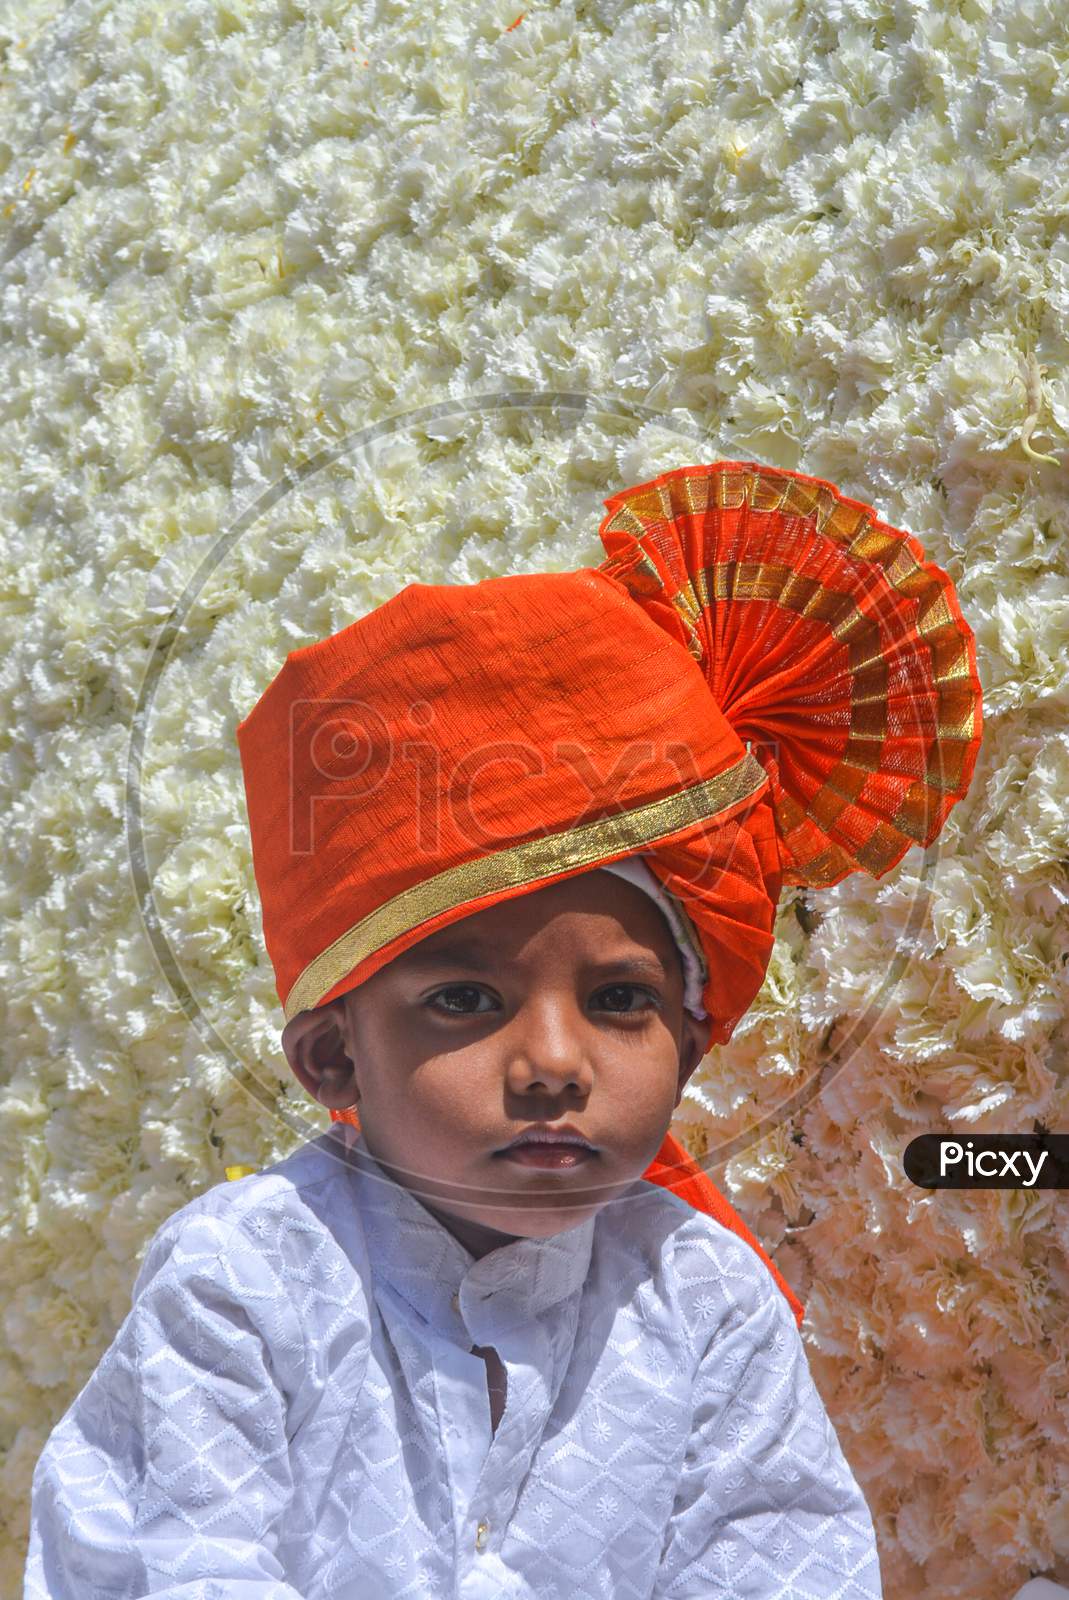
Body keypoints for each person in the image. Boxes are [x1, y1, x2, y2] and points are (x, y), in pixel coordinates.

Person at [24, 459, 983, 1598]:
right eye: (465, 1000)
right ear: (334, 1054)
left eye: (620, 1000)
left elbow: (779, 1566)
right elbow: (180, 1568)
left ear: (690, 1030)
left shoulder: (704, 1302)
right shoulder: (248, 1280)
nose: (553, 1064)